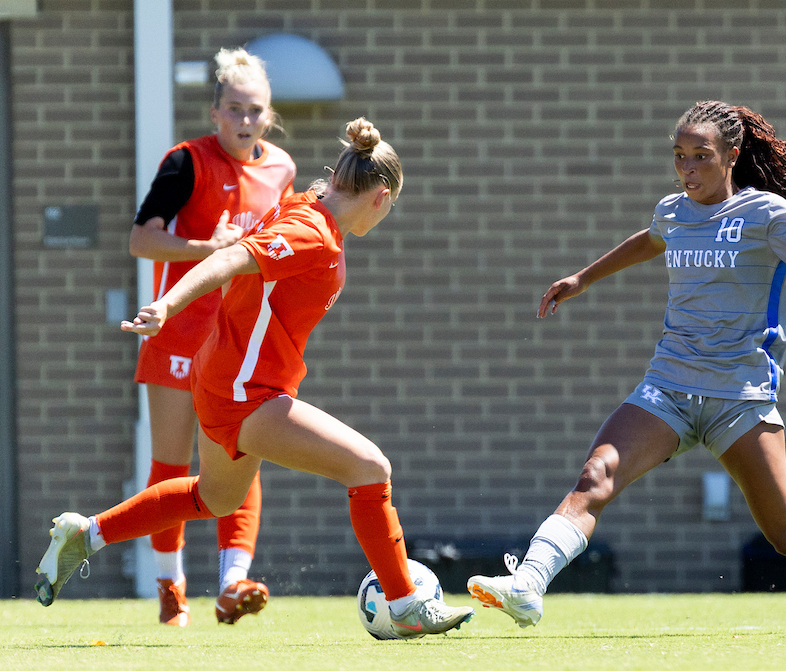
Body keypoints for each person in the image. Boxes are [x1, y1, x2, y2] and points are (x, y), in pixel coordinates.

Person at [467, 101, 786, 632]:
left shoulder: (767, 214)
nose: (688, 168)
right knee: (595, 476)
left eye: (701, 155)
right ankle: (528, 584)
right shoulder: (673, 211)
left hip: (740, 396)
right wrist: (583, 278)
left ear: (732, 155)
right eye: (679, 156)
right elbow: (653, 239)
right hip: (669, 387)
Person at [35, 119, 475, 639]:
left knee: (216, 498)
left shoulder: (308, 205)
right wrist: (168, 305)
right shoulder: (312, 232)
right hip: (244, 391)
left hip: (226, 376)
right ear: (380, 198)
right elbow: (231, 258)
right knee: (370, 468)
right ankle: (404, 603)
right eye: (391, 206)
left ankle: (86, 534)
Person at [129, 48, 295, 627]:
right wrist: (207, 248)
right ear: (215, 113)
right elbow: (141, 240)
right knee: (172, 465)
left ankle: (232, 584)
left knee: (242, 457)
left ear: (269, 115)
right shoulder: (186, 162)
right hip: (178, 332)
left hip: (241, 341)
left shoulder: (282, 169)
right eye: (234, 109)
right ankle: (170, 584)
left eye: (255, 110)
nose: (245, 120)